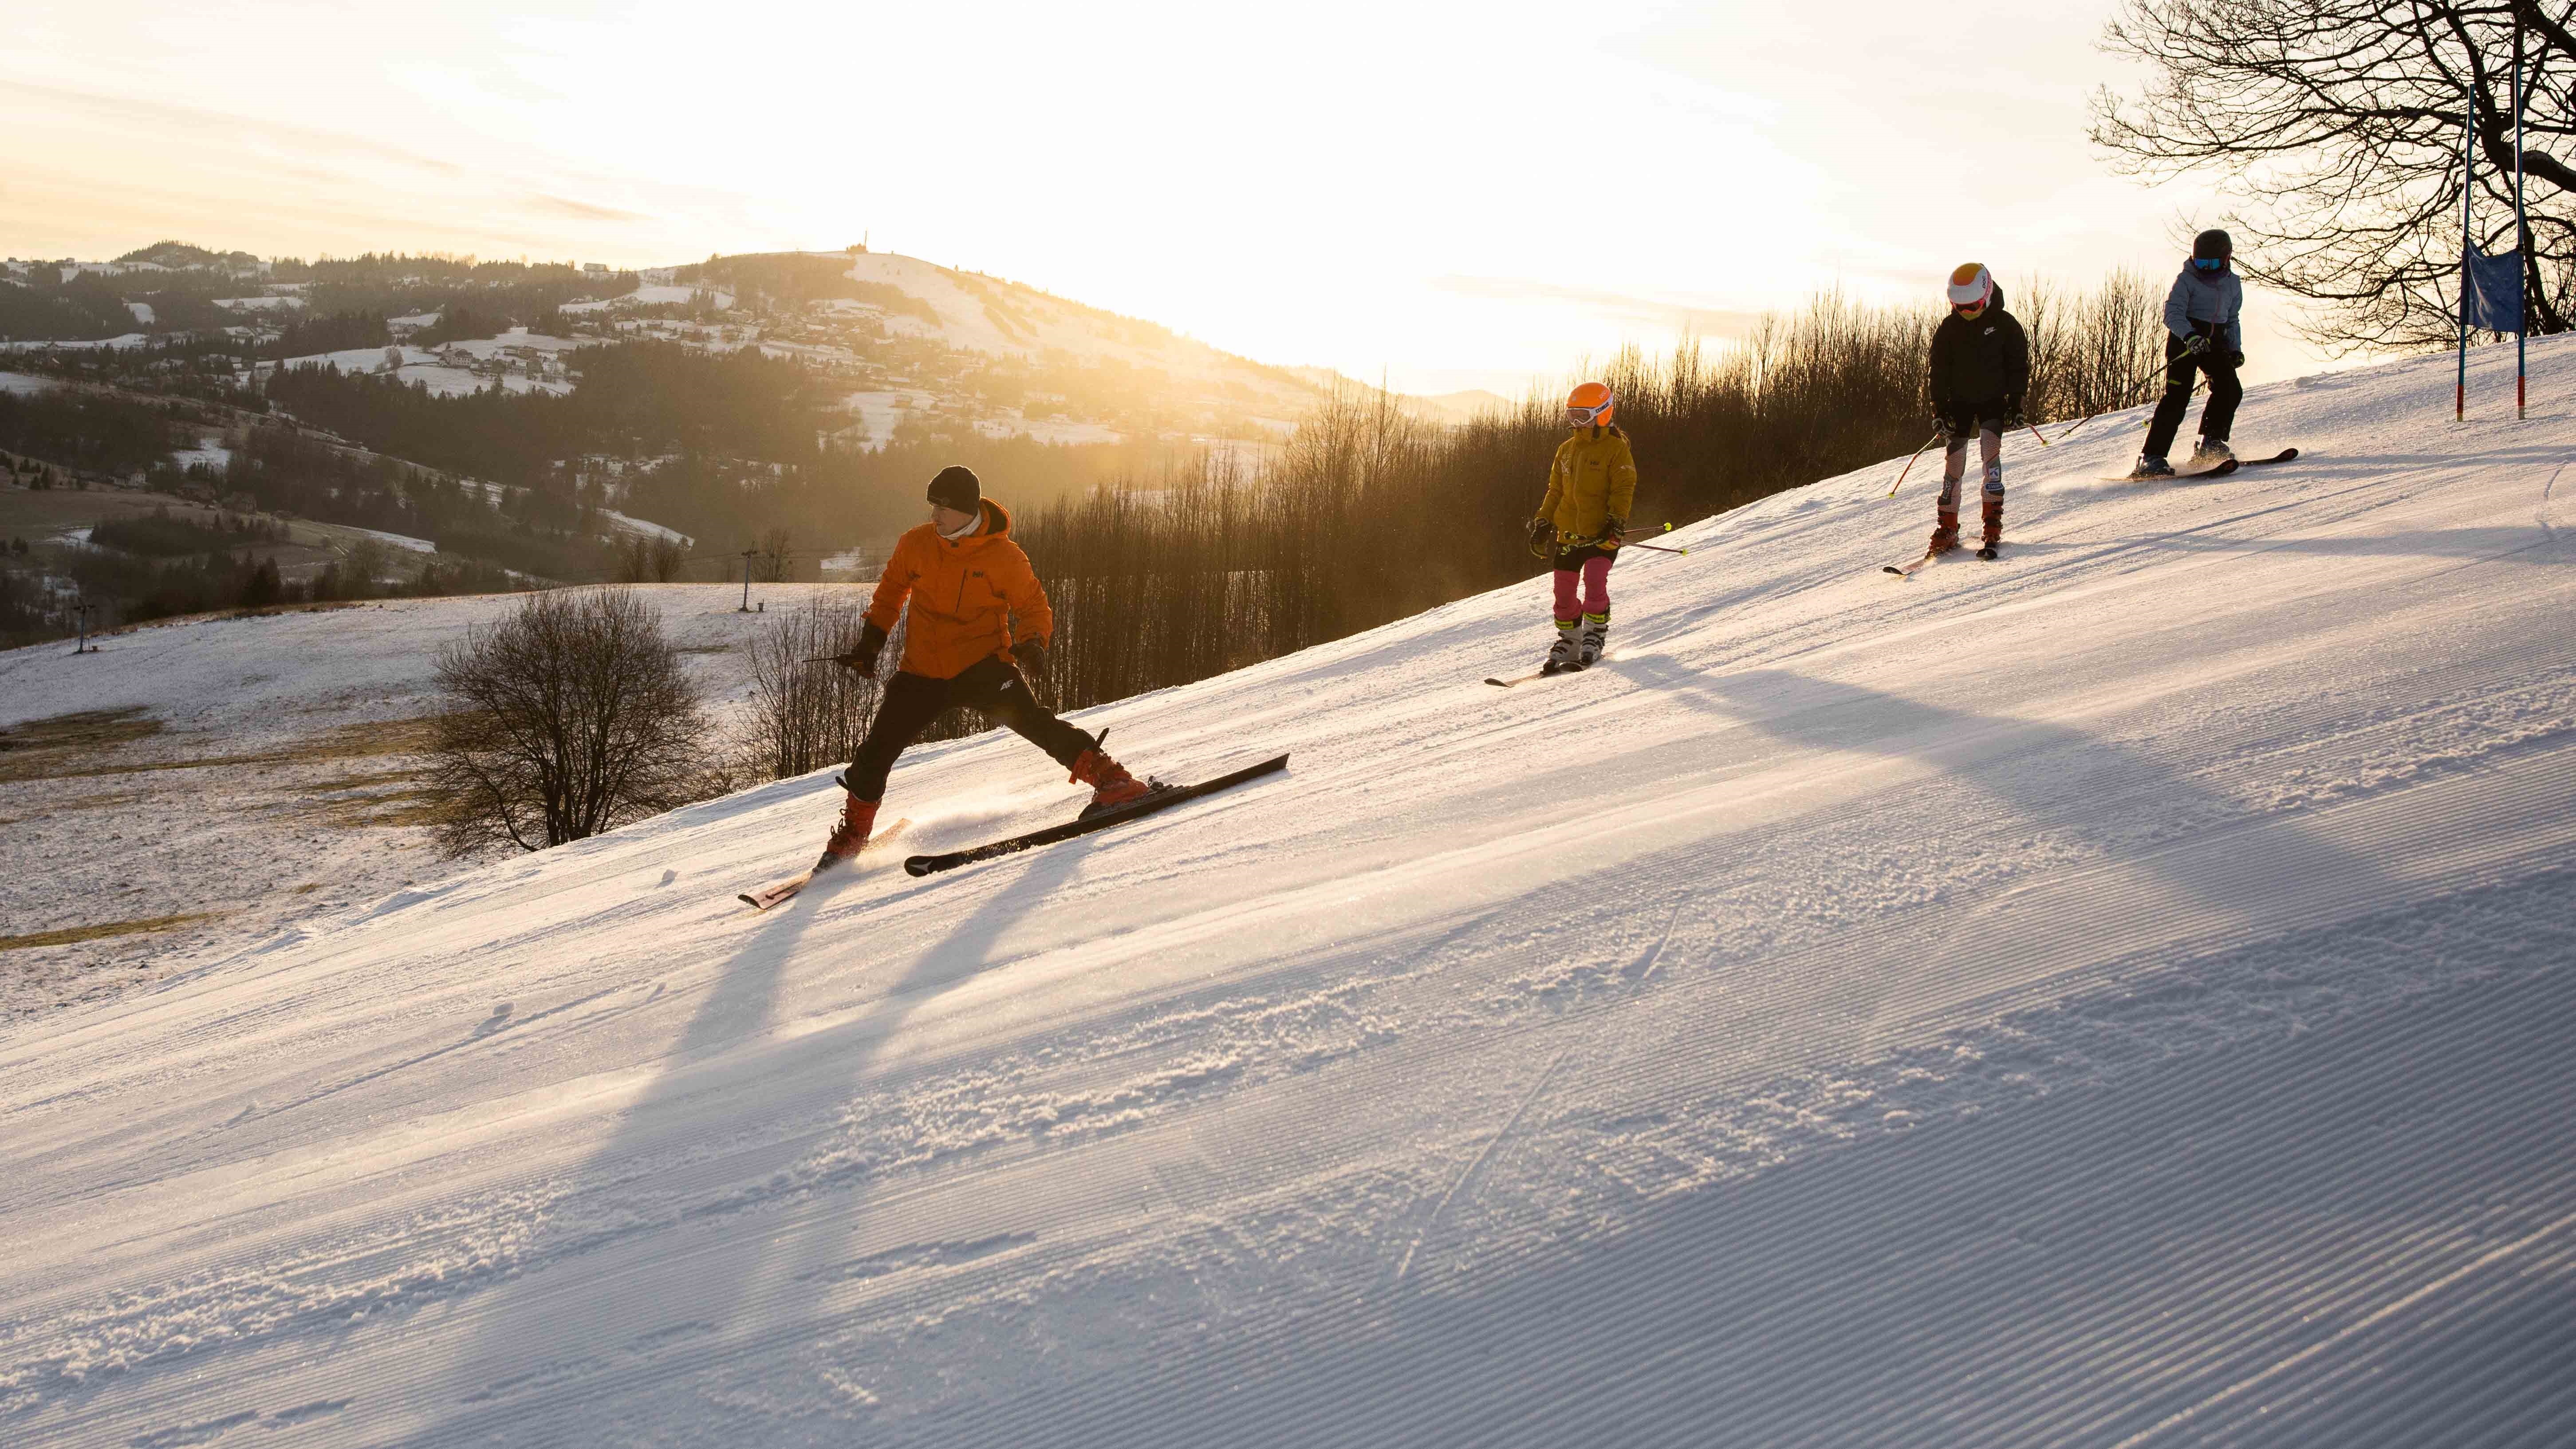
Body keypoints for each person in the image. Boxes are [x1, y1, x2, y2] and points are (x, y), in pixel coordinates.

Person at [812, 464, 1154, 870]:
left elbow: (1033, 606)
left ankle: (1114, 781)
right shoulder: (916, 544)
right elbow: (889, 596)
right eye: (932, 506)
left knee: (1036, 723)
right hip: (921, 672)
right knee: (875, 752)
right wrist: (870, 646)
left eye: (942, 507)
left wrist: (1032, 643)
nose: (934, 515)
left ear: (967, 510)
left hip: (982, 667)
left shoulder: (1003, 555)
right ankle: (854, 834)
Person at [1525, 381, 1638, 672]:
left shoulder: (1616, 449)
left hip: (1602, 536)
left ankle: (1594, 636)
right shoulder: (1566, 450)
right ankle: (1571, 639)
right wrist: (1544, 522)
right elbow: (1555, 491)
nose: (1576, 423)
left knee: (1595, 581)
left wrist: (1616, 523)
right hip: (1569, 536)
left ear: (1602, 414)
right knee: (1563, 593)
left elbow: (1623, 489)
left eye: (1582, 416)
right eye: (1571, 416)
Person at [1926, 262, 2030, 558]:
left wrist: (2016, 404)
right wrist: (1939, 408)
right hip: (1957, 404)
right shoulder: (1949, 328)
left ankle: (1992, 523)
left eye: (1972, 307)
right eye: (1959, 307)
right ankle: (1947, 527)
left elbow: (2018, 367)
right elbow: (1938, 371)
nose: (1965, 313)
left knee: (1990, 455)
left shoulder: (2007, 326)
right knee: (1953, 466)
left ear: (1986, 296)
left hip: (1992, 402)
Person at [2134, 229, 2245, 479]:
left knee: (2230, 390)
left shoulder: (2232, 283)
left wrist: (2234, 348)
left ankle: (2211, 444)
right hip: (2185, 342)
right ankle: (2152, 457)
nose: (2205, 268)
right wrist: (2190, 336)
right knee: (2177, 398)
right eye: (2201, 262)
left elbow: (2232, 318)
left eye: (2212, 263)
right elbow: (2172, 313)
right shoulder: (2186, 279)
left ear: (2227, 259)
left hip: (2213, 343)